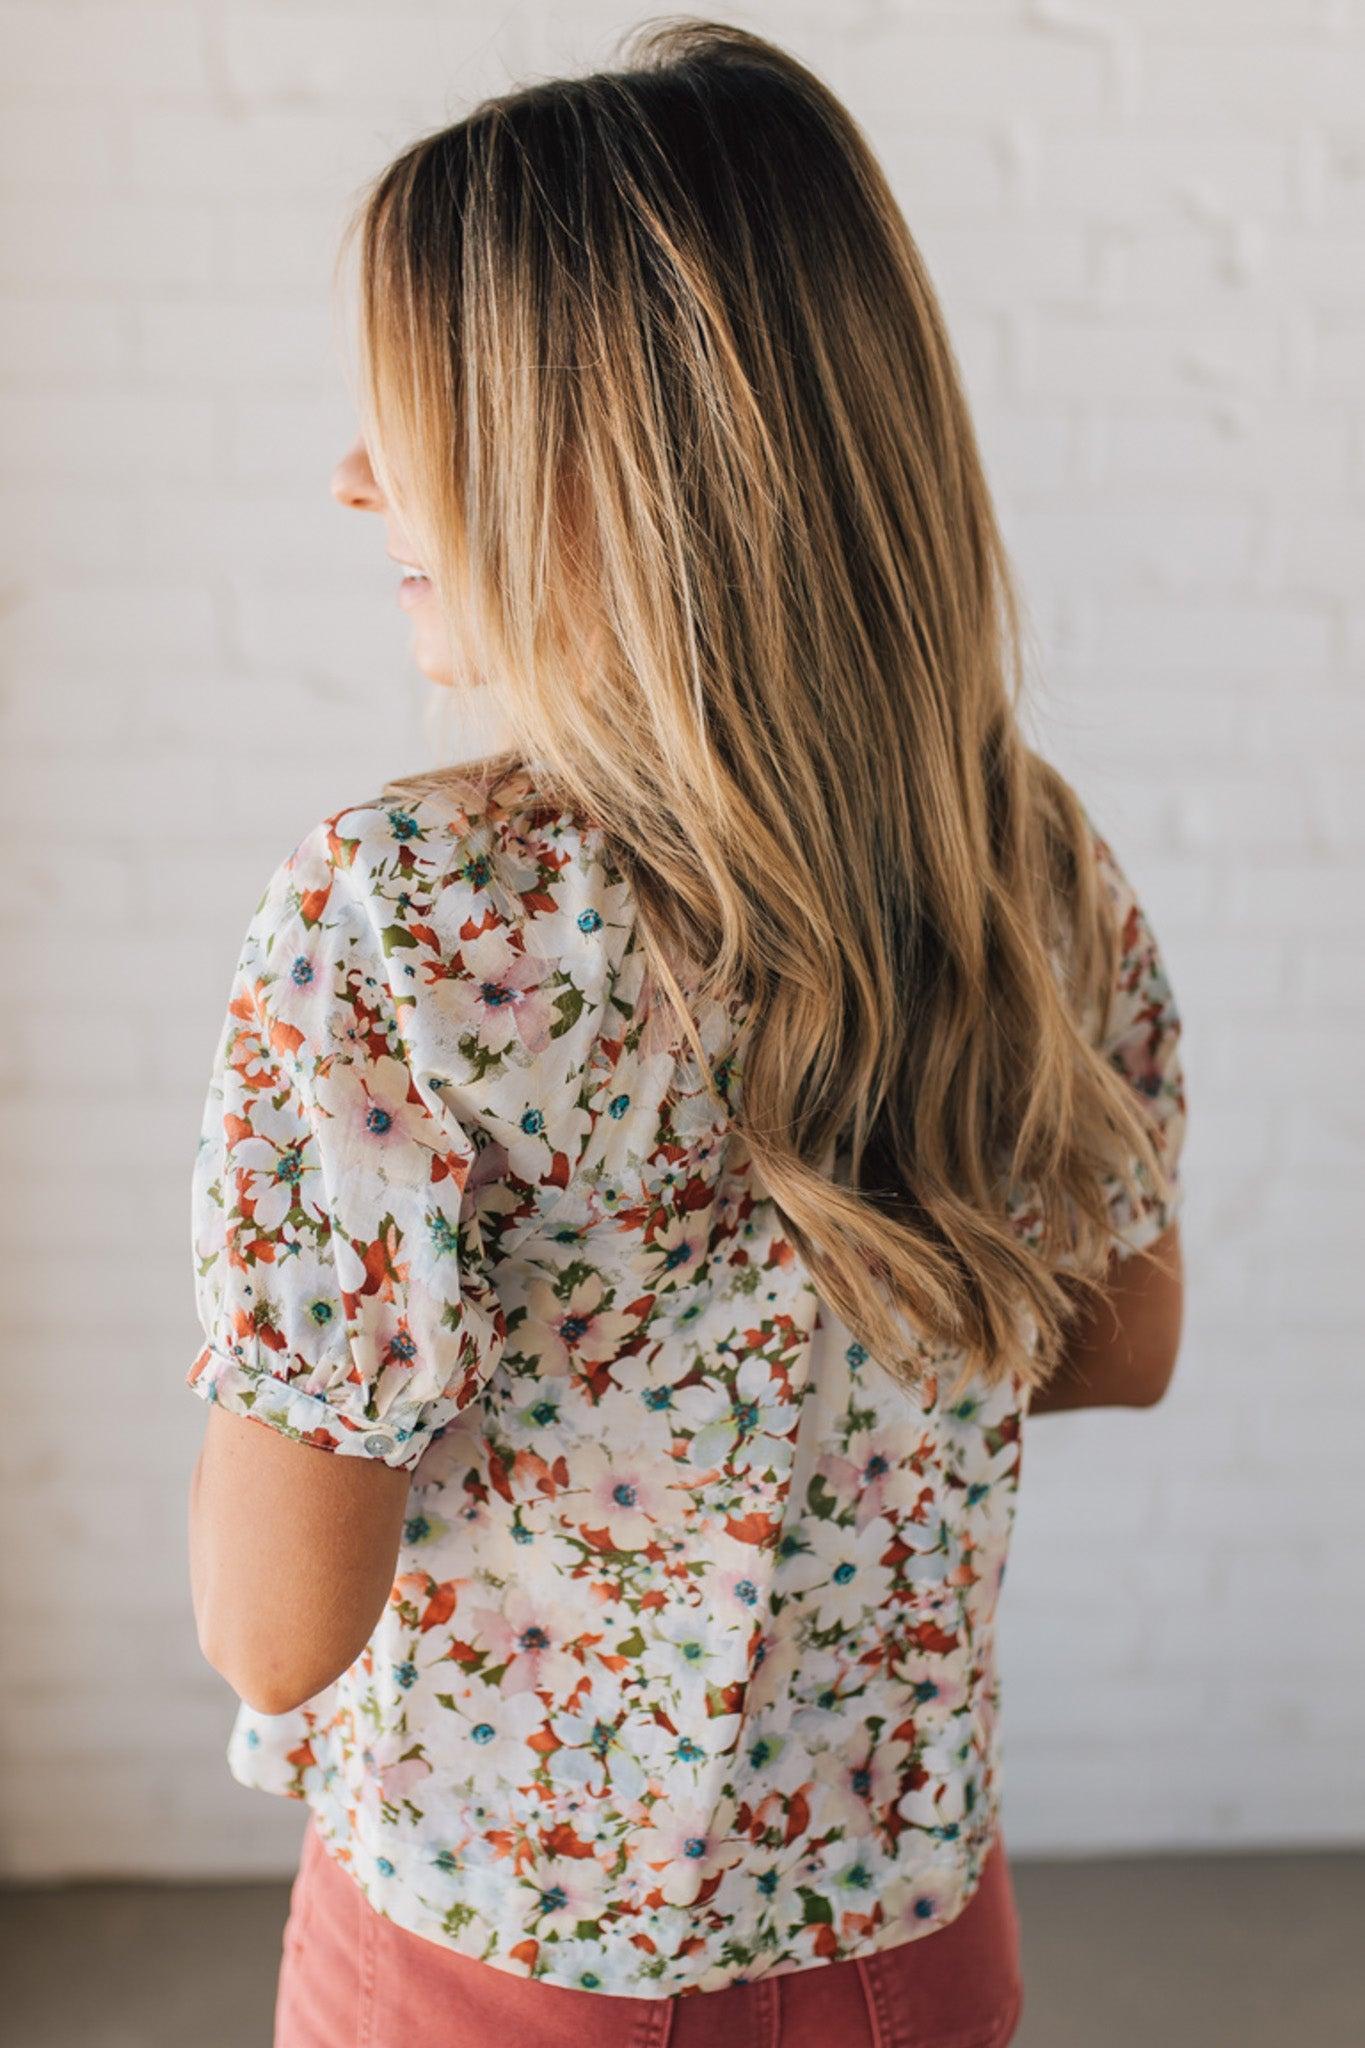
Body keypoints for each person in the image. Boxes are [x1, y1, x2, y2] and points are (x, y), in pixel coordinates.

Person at [184, 21, 1187, 2047]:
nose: (354, 475)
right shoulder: (1026, 853)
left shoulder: (402, 914)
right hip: (902, 1929)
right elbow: (1121, 1335)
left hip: (489, 1959)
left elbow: (276, 1632)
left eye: (418, 419)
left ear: (600, 474)